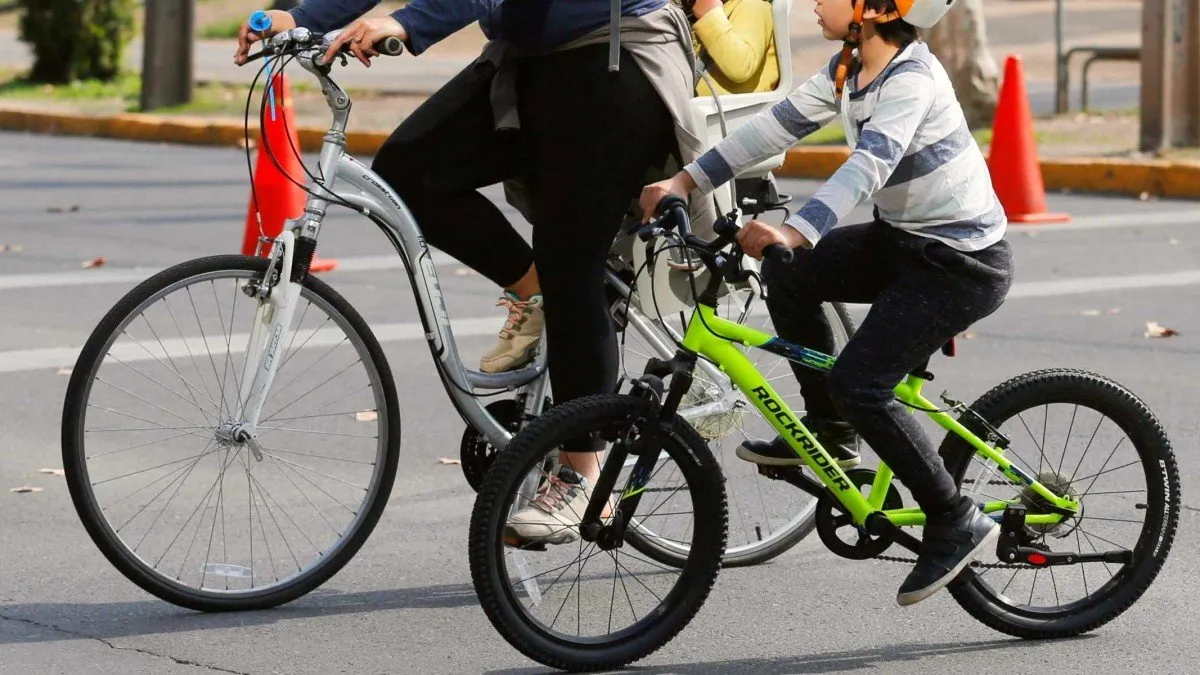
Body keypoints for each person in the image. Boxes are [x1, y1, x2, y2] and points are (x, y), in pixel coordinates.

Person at [235, 1, 710, 545]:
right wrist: (302, 17)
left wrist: (410, 23)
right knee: (410, 172)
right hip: (531, 62)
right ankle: (538, 294)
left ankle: (582, 476)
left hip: (614, 58)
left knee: (569, 261)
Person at [640, 0, 1012, 606]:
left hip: (959, 264)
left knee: (862, 382)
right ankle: (831, 432)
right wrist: (685, 181)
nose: (815, 2)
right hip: (904, 241)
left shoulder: (912, 78)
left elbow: (869, 165)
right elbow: (773, 125)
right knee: (791, 277)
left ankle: (954, 518)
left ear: (875, 9)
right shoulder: (848, 67)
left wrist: (798, 228)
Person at [684, 0, 779, 96]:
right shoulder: (730, 7)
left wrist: (709, 15)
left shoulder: (754, 5)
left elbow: (741, 66)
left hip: (725, 108)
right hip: (703, 106)